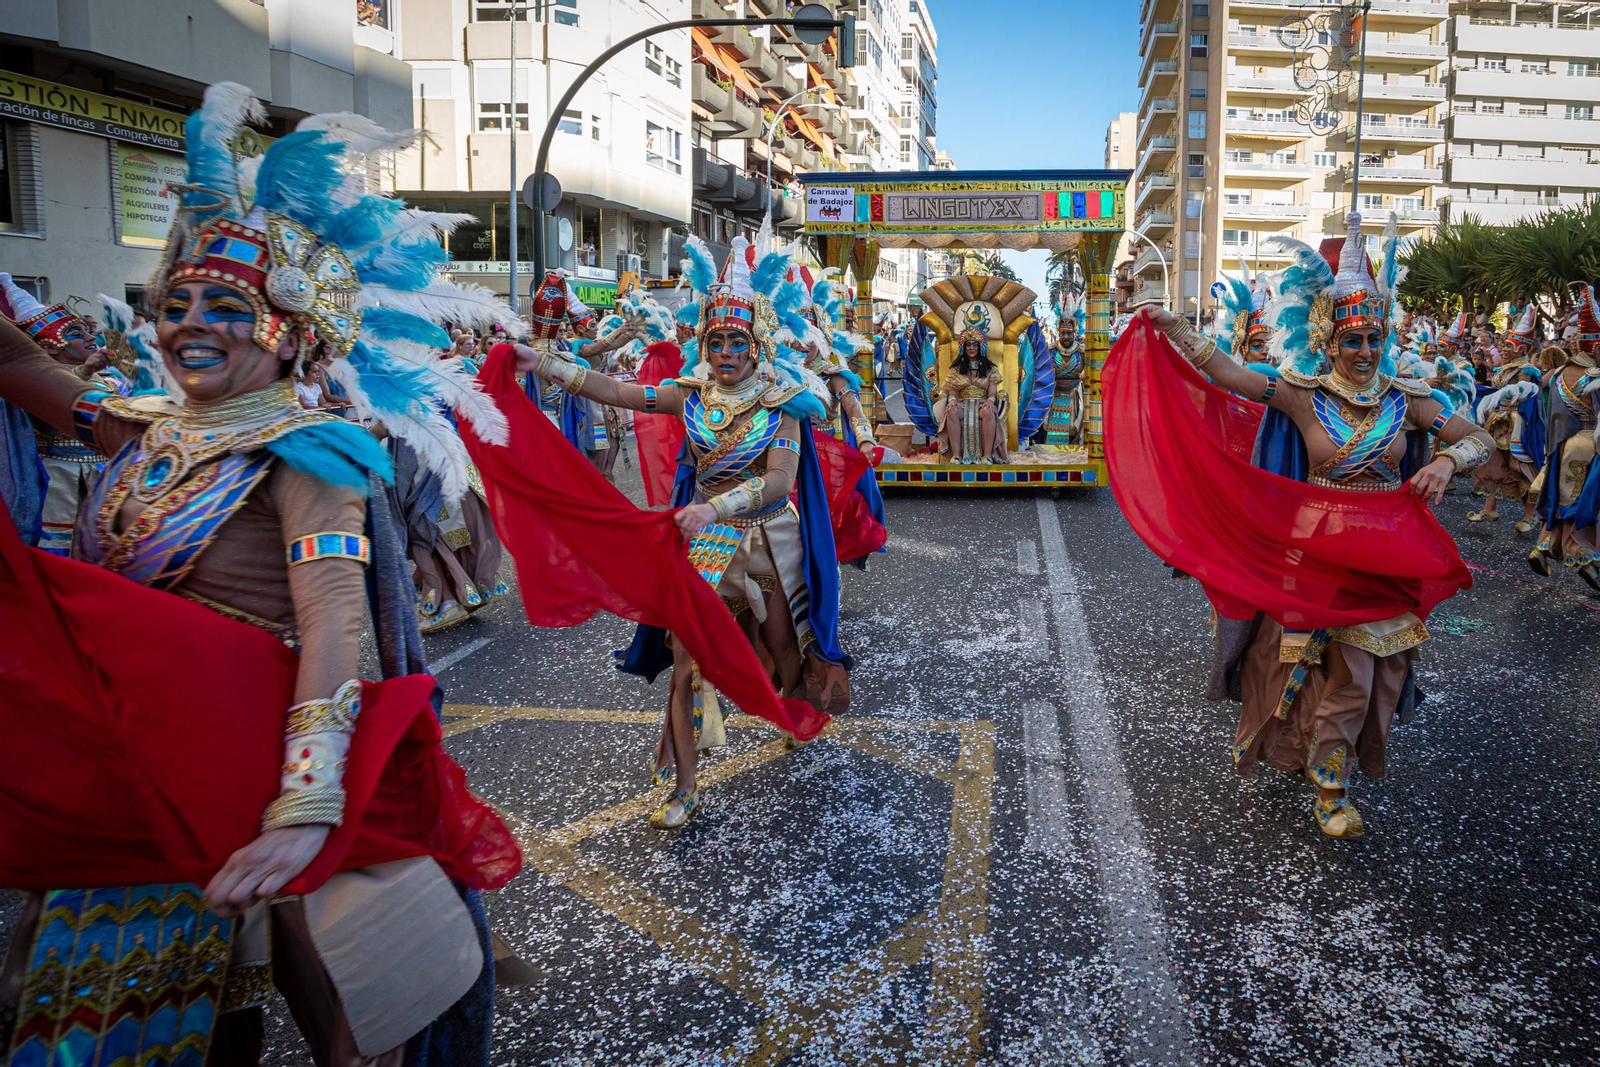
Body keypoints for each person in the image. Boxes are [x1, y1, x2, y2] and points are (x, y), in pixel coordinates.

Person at [0, 83, 521, 1064]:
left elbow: (332, 622)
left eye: (227, 305)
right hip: (127, 771)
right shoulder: (136, 427)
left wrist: (307, 804)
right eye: (178, 301)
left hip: (247, 764)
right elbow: (21, 359)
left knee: (306, 1006)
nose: (191, 321)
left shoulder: (306, 450)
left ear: (289, 330)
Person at [1132, 213, 1494, 839]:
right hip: (1312, 554)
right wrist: (1171, 328)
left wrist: (1442, 459)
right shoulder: (1301, 393)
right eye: (1352, 341)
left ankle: (1331, 780)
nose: (1364, 352)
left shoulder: (1406, 401)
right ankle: (1322, 774)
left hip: (1383, 556)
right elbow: (1232, 378)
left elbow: (1482, 438)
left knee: (1364, 668)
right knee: (1310, 668)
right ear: (1329, 342)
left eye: (1374, 339)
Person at [524, 235, 850, 830]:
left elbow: (779, 483)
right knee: (685, 663)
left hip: (770, 543)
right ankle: (685, 785)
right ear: (704, 344)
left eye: (736, 342)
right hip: (707, 546)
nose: (725, 352)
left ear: (757, 347)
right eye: (716, 341)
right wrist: (542, 363)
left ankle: (791, 713)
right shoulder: (690, 396)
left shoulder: (784, 404)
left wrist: (713, 508)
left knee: (779, 650)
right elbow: (620, 391)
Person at [0, 273, 130, 554]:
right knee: (58, 549)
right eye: (75, 334)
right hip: (58, 476)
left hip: (104, 474)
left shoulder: (109, 381)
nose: (89, 337)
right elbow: (53, 406)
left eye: (87, 331)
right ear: (48, 347)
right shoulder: (34, 383)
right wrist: (83, 372)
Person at [1528, 282, 1600, 590]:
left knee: (1562, 498)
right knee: (1583, 504)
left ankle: (1544, 546)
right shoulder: (1595, 376)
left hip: (1561, 444)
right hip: (1590, 444)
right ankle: (1583, 556)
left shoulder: (1558, 374)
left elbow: (1540, 400)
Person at [1468, 304, 1545, 530]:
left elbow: (1523, 394)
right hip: (1499, 420)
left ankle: (1531, 516)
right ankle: (1489, 509)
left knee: (1519, 467)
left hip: (1515, 425)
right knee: (1494, 463)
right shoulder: (1507, 366)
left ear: (1521, 349)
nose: (1502, 347)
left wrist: (1502, 397)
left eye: (1508, 345)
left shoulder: (1526, 369)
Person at [938, 328, 1008, 463]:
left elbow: (992, 390)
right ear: (963, 347)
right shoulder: (956, 368)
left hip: (982, 403)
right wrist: (952, 400)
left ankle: (987, 455)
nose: (971, 348)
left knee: (988, 411)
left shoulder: (990, 368)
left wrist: (990, 400)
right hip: (963, 403)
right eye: (968, 344)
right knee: (951, 411)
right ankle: (957, 455)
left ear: (980, 347)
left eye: (974, 344)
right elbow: (952, 389)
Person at [1042, 290, 1086, 447]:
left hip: (1075, 396)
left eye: (1069, 333)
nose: (1066, 337)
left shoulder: (1082, 351)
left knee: (1074, 434)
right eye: (1063, 333)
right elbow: (1040, 370)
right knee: (1052, 440)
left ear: (1075, 332)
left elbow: (1094, 369)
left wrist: (1085, 373)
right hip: (1054, 397)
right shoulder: (1049, 349)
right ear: (1058, 332)